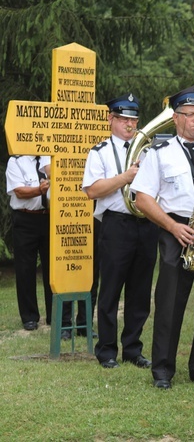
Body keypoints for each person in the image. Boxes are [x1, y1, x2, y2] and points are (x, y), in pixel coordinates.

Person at [131, 85, 194, 389]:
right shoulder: (159, 153)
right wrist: (173, 228)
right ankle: (162, 370)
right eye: (191, 115)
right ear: (176, 118)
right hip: (176, 227)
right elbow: (142, 198)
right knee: (170, 302)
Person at [82, 93, 158, 369]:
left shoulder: (150, 152)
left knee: (140, 291)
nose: (130, 124)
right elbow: (92, 190)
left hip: (146, 223)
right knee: (111, 289)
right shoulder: (99, 152)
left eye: (133, 119)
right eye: (124, 119)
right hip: (116, 224)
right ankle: (106, 350)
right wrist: (125, 177)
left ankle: (133, 349)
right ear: (110, 119)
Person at [5, 155, 74, 336]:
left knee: (53, 268)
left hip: (51, 217)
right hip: (25, 218)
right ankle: (29, 317)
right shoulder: (16, 161)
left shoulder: (52, 158)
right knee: (25, 267)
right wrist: (39, 190)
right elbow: (19, 191)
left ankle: (55, 315)